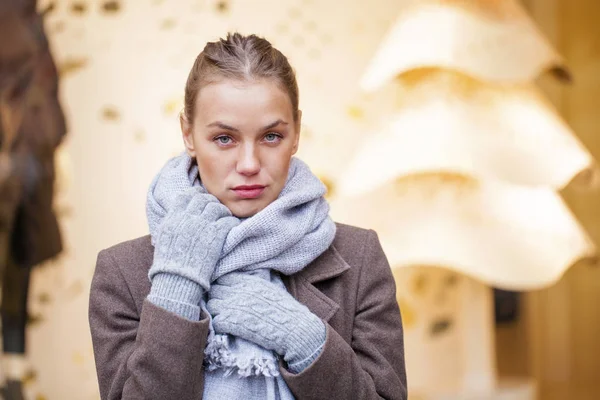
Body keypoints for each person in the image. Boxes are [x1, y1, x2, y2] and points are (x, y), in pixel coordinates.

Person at [88, 32, 407, 400]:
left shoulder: (359, 257)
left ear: (297, 132)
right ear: (188, 133)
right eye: (225, 139)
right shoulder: (122, 273)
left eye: (271, 136)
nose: (250, 164)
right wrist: (176, 288)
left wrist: (305, 339)